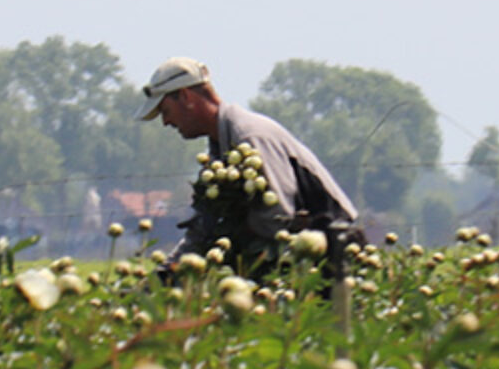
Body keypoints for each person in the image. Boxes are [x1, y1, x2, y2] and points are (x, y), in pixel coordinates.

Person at [139, 57, 365, 276]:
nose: (166, 122)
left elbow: (278, 219)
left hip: (333, 254)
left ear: (186, 96)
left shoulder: (249, 136)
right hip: (303, 258)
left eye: (165, 111)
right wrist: (168, 272)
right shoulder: (223, 146)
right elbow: (205, 225)